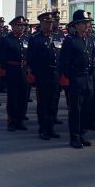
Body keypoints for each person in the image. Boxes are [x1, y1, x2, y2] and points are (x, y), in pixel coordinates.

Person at [59, 10, 95, 149]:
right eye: (84, 23)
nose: (87, 25)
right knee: (75, 110)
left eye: (87, 23)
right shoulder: (70, 40)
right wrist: (68, 79)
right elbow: (64, 62)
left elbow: (92, 59)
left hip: (87, 79)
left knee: (86, 109)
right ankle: (74, 137)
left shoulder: (89, 39)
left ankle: (82, 135)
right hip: (75, 79)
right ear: (76, 25)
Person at [27, 12, 61, 140]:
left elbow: (61, 56)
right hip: (43, 75)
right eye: (47, 22)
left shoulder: (58, 37)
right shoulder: (35, 38)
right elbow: (31, 58)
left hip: (55, 74)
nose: (50, 24)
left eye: (51, 22)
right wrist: (34, 75)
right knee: (43, 104)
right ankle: (43, 129)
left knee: (53, 103)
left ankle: (51, 127)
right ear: (41, 23)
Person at [0, 15, 27, 131]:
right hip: (12, 71)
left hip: (23, 71)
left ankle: (20, 120)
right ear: (13, 26)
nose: (21, 28)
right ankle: (11, 121)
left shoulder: (26, 39)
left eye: (23, 26)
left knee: (23, 97)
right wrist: (6, 71)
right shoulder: (7, 40)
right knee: (13, 98)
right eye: (19, 26)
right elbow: (2, 58)